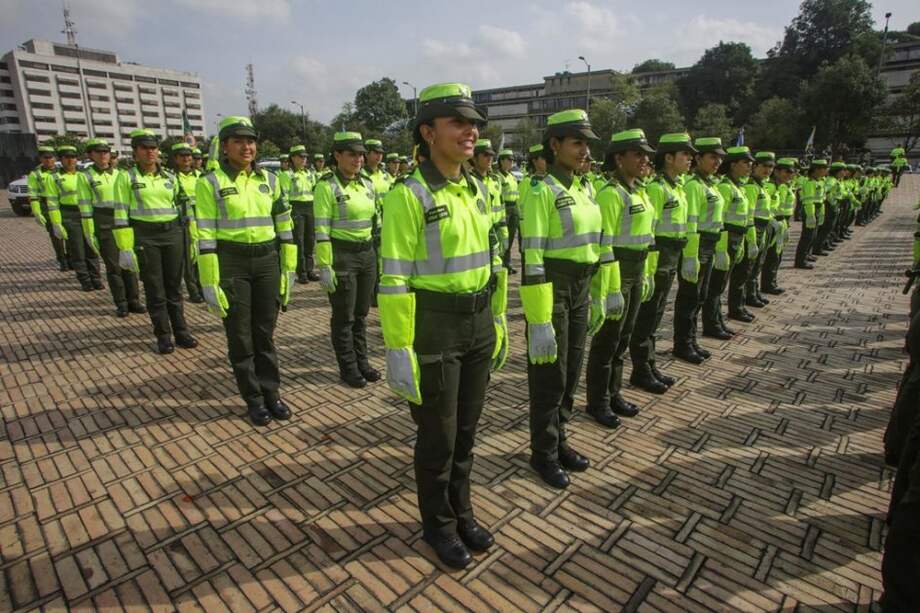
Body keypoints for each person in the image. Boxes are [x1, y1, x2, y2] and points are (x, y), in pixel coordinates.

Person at [378, 82, 504, 569]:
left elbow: (491, 260)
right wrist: (397, 346)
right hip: (433, 325)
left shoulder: (475, 186)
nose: (470, 130)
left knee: (467, 432)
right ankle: (439, 527)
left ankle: (462, 511)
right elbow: (393, 278)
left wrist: (496, 317)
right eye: (458, 121)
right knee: (438, 436)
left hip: (476, 323)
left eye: (473, 122)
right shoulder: (408, 194)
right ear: (428, 132)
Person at [519, 109, 605, 489]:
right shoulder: (542, 190)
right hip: (552, 285)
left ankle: (561, 438)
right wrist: (538, 319)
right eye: (577, 143)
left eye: (587, 144)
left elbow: (596, 244)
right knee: (549, 376)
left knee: (571, 370)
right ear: (555, 145)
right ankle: (544, 452)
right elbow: (532, 256)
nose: (585, 151)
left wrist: (602, 290)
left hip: (582, 286)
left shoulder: (585, 187)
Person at [196, 115, 296, 426]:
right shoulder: (210, 182)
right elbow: (205, 235)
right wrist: (209, 280)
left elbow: (285, 226)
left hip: (267, 261)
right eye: (238, 141)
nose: (246, 146)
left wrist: (288, 268)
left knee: (264, 334)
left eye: (250, 141)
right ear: (224, 146)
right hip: (232, 263)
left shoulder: (270, 181)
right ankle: (253, 399)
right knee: (240, 337)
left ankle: (272, 394)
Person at [585, 129, 657, 427]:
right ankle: (598, 401)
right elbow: (605, 247)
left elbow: (648, 235)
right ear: (619, 157)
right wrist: (608, 289)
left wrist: (648, 272)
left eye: (646, 154)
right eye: (637, 153)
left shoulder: (639, 190)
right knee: (607, 341)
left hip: (637, 269)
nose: (644, 160)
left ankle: (614, 393)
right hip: (617, 273)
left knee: (623, 338)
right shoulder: (611, 194)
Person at [114, 129, 198, 354]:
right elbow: (121, 213)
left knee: (174, 286)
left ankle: (181, 332)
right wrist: (124, 246)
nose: (151, 152)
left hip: (173, 234)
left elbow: (184, 208)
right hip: (145, 236)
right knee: (155, 288)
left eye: (153, 148)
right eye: (145, 148)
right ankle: (163, 335)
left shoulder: (170, 177)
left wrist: (193, 235)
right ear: (135, 152)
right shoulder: (127, 177)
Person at [630, 133, 697, 394]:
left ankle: (650, 363)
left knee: (657, 313)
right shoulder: (657, 189)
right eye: (685, 154)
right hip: (658, 256)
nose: (690, 159)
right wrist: (651, 266)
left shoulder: (677, 186)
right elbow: (651, 231)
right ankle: (641, 368)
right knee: (647, 316)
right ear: (668, 158)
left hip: (672, 256)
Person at [314, 132, 380, 388]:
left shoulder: (367, 184)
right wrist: (325, 265)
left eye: (361, 154)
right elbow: (321, 230)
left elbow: (375, 221)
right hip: (342, 255)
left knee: (361, 314)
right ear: (337, 155)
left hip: (367, 254)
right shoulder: (327, 186)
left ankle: (362, 362)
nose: (358, 159)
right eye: (352, 154)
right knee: (344, 316)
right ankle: (348, 367)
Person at [672, 137, 727, 362]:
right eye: (712, 157)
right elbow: (691, 223)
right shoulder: (694, 186)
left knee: (700, 296)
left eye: (720, 158)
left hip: (710, 244)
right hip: (697, 245)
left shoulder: (710, 184)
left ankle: (691, 340)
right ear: (699, 158)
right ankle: (682, 344)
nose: (717, 162)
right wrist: (691, 256)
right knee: (689, 296)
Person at [78, 138, 144, 317]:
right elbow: (85, 206)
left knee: (129, 262)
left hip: (124, 219)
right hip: (103, 220)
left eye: (105, 152)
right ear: (91, 155)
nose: (103, 155)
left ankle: (134, 300)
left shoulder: (120, 174)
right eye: (98, 152)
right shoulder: (85, 176)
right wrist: (89, 230)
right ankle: (121, 303)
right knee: (114, 266)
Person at [45, 145, 103, 292]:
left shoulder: (84, 175)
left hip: (88, 213)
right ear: (61, 159)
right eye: (67, 157)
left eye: (73, 157)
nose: (71, 160)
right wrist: (56, 222)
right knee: (78, 249)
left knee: (92, 246)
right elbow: (52, 202)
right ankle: (85, 280)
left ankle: (96, 279)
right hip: (69, 214)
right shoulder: (55, 178)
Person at [711, 146, 755, 328]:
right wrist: (721, 249)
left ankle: (718, 319)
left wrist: (747, 241)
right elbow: (719, 220)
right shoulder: (725, 187)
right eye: (745, 162)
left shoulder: (739, 187)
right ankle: (712, 322)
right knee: (717, 284)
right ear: (733, 164)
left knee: (726, 281)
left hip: (738, 236)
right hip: (726, 237)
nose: (749, 166)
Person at [281, 145, 320, 283]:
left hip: (310, 208)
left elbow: (315, 191)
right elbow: (284, 195)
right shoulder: (287, 175)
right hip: (296, 208)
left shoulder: (310, 173)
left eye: (305, 157)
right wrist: (287, 214)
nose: (304, 159)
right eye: (301, 157)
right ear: (293, 158)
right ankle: (301, 272)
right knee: (299, 241)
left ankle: (310, 270)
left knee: (310, 241)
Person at [171, 142, 204, 303]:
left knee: (202, 254)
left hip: (202, 220)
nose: (186, 159)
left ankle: (203, 286)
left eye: (188, 156)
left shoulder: (200, 176)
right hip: (184, 222)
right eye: (182, 156)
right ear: (176, 159)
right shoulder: (172, 177)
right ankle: (193, 290)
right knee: (188, 257)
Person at [28, 146, 69, 271]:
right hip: (47, 205)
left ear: (55, 158)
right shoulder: (36, 174)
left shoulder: (61, 171)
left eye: (50, 157)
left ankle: (71, 258)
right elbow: (32, 194)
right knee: (55, 234)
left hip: (63, 204)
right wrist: (37, 212)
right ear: (40, 158)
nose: (48, 160)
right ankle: (62, 260)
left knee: (69, 233)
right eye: (45, 157)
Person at [743, 151, 776, 308]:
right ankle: (748, 296)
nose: (768, 170)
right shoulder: (751, 187)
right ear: (755, 166)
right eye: (764, 166)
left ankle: (754, 292)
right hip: (754, 227)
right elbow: (749, 214)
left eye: (771, 167)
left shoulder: (762, 186)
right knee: (749, 265)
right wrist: (752, 236)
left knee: (758, 263)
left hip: (763, 226)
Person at [760, 157, 797, 295]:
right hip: (772, 223)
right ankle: (767, 284)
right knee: (770, 256)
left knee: (777, 255)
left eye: (791, 172)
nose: (789, 175)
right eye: (786, 172)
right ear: (777, 172)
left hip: (782, 223)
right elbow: (765, 208)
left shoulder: (786, 186)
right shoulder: (769, 186)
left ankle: (771, 282)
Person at [794, 159, 828, 270]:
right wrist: (810, 214)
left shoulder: (820, 182)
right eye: (823, 168)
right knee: (807, 236)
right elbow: (808, 200)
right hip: (810, 209)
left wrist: (821, 212)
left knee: (813, 234)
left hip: (817, 208)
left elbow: (821, 199)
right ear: (815, 170)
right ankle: (800, 260)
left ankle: (807, 254)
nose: (825, 171)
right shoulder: (809, 183)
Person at [497, 149, 520, 273]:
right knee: (503, 238)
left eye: (513, 160)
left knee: (511, 238)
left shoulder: (512, 176)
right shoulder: (498, 177)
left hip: (514, 208)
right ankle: (501, 263)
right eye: (509, 160)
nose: (512, 162)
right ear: (501, 160)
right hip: (504, 208)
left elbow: (517, 195)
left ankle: (507, 263)